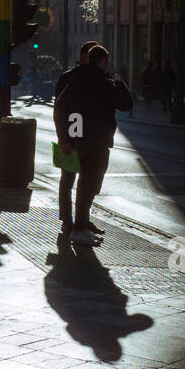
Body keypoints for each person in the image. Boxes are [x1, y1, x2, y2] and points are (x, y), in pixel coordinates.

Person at [53, 43, 133, 244]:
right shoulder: (104, 82)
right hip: (96, 141)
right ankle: (79, 226)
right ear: (103, 61)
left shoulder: (70, 78)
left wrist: (64, 138)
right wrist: (119, 82)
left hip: (73, 137)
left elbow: (60, 108)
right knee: (87, 184)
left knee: (70, 181)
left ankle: (73, 223)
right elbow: (126, 104)